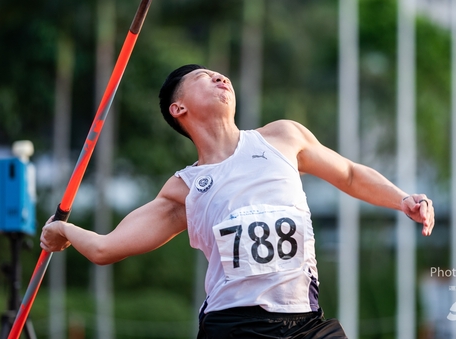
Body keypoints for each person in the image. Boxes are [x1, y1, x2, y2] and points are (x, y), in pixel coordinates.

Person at [41, 64, 435, 338]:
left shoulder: (283, 137)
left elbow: (348, 174)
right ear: (179, 109)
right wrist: (64, 229)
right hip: (235, 327)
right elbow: (107, 248)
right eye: (202, 77)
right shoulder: (186, 188)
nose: (219, 76)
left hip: (306, 323)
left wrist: (403, 199)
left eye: (218, 73)